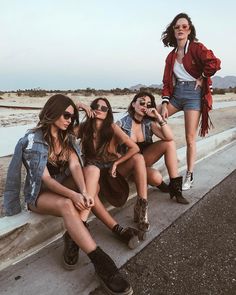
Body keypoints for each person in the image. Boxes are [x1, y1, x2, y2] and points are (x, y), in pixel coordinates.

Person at [3, 94, 133, 295]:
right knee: (66, 204)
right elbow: (45, 179)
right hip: (39, 195)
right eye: (65, 115)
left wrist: (83, 192)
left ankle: (73, 236)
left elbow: (75, 165)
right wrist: (74, 196)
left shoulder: (67, 137)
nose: (69, 120)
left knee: (92, 170)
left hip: (63, 185)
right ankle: (102, 262)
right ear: (52, 111)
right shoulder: (32, 139)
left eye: (72, 117)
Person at [159, 13, 221, 190]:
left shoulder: (196, 48)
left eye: (184, 26)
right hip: (177, 94)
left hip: (194, 94)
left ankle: (189, 174)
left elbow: (214, 63)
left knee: (189, 138)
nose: (180, 29)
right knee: (153, 116)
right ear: (173, 30)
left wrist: (202, 76)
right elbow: (165, 82)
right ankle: (169, 146)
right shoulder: (171, 56)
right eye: (177, 26)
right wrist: (164, 103)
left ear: (189, 30)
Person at [76, 97, 150, 233]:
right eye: (96, 106)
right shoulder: (84, 128)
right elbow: (62, 129)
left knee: (138, 158)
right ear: (91, 108)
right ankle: (108, 227)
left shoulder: (112, 127)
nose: (99, 110)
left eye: (103, 108)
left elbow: (134, 148)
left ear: (107, 112)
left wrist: (116, 163)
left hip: (111, 169)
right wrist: (78, 107)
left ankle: (142, 207)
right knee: (92, 192)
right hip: (93, 171)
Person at [117, 91, 189, 205]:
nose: (145, 106)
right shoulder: (121, 124)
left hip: (143, 163)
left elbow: (170, 137)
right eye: (141, 103)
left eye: (148, 104)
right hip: (127, 164)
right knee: (154, 176)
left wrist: (158, 117)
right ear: (133, 104)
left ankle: (176, 190)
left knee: (157, 174)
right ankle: (160, 187)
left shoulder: (148, 123)